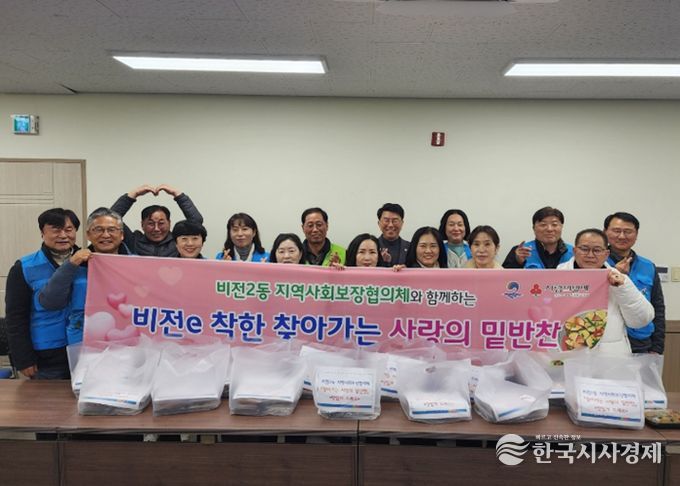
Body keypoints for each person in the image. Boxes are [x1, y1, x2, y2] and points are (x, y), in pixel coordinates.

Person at [5, 208, 81, 379]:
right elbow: (15, 317)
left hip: (85, 350)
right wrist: (23, 359)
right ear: (42, 233)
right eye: (56, 230)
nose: (63, 235)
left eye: (68, 229)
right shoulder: (24, 267)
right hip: (46, 356)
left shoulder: (89, 262)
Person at [37, 208, 131, 345]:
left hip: (128, 340)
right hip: (82, 342)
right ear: (88, 235)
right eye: (98, 230)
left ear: (121, 235)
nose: (105, 235)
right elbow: (50, 302)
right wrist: (71, 264)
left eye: (112, 230)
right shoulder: (75, 264)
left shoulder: (138, 265)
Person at [557, 229, 654, 356]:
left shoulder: (618, 278)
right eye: (584, 249)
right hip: (569, 354)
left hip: (610, 358)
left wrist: (622, 288)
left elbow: (641, 320)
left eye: (597, 250)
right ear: (575, 251)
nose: (590, 255)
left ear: (606, 254)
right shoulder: (557, 278)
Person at [604, 212, 665, 354]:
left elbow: (658, 306)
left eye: (628, 231)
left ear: (636, 234)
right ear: (605, 232)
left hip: (641, 342)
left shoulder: (648, 266)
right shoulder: (596, 264)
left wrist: (657, 347)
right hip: (608, 342)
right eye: (616, 231)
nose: (622, 236)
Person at [111, 184, 203, 257]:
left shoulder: (177, 241)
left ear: (169, 223)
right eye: (150, 224)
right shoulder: (134, 240)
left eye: (161, 223)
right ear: (142, 224)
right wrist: (133, 194)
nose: (156, 229)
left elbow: (196, 222)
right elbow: (111, 219)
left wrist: (177, 194)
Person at [503, 206, 573, 269]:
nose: (549, 229)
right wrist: (517, 262)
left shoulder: (573, 253)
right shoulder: (521, 251)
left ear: (561, 227)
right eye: (543, 225)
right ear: (534, 228)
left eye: (554, 224)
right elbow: (504, 277)